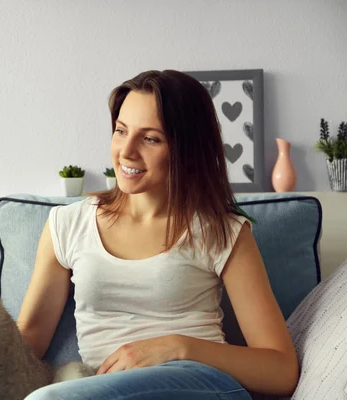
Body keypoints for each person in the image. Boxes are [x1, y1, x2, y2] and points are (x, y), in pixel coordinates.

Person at [17, 70, 299, 400]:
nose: (126, 152)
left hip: (202, 384)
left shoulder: (221, 232)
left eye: (150, 139)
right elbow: (27, 343)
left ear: (186, 150)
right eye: (121, 131)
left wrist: (176, 347)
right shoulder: (67, 225)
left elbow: (281, 370)